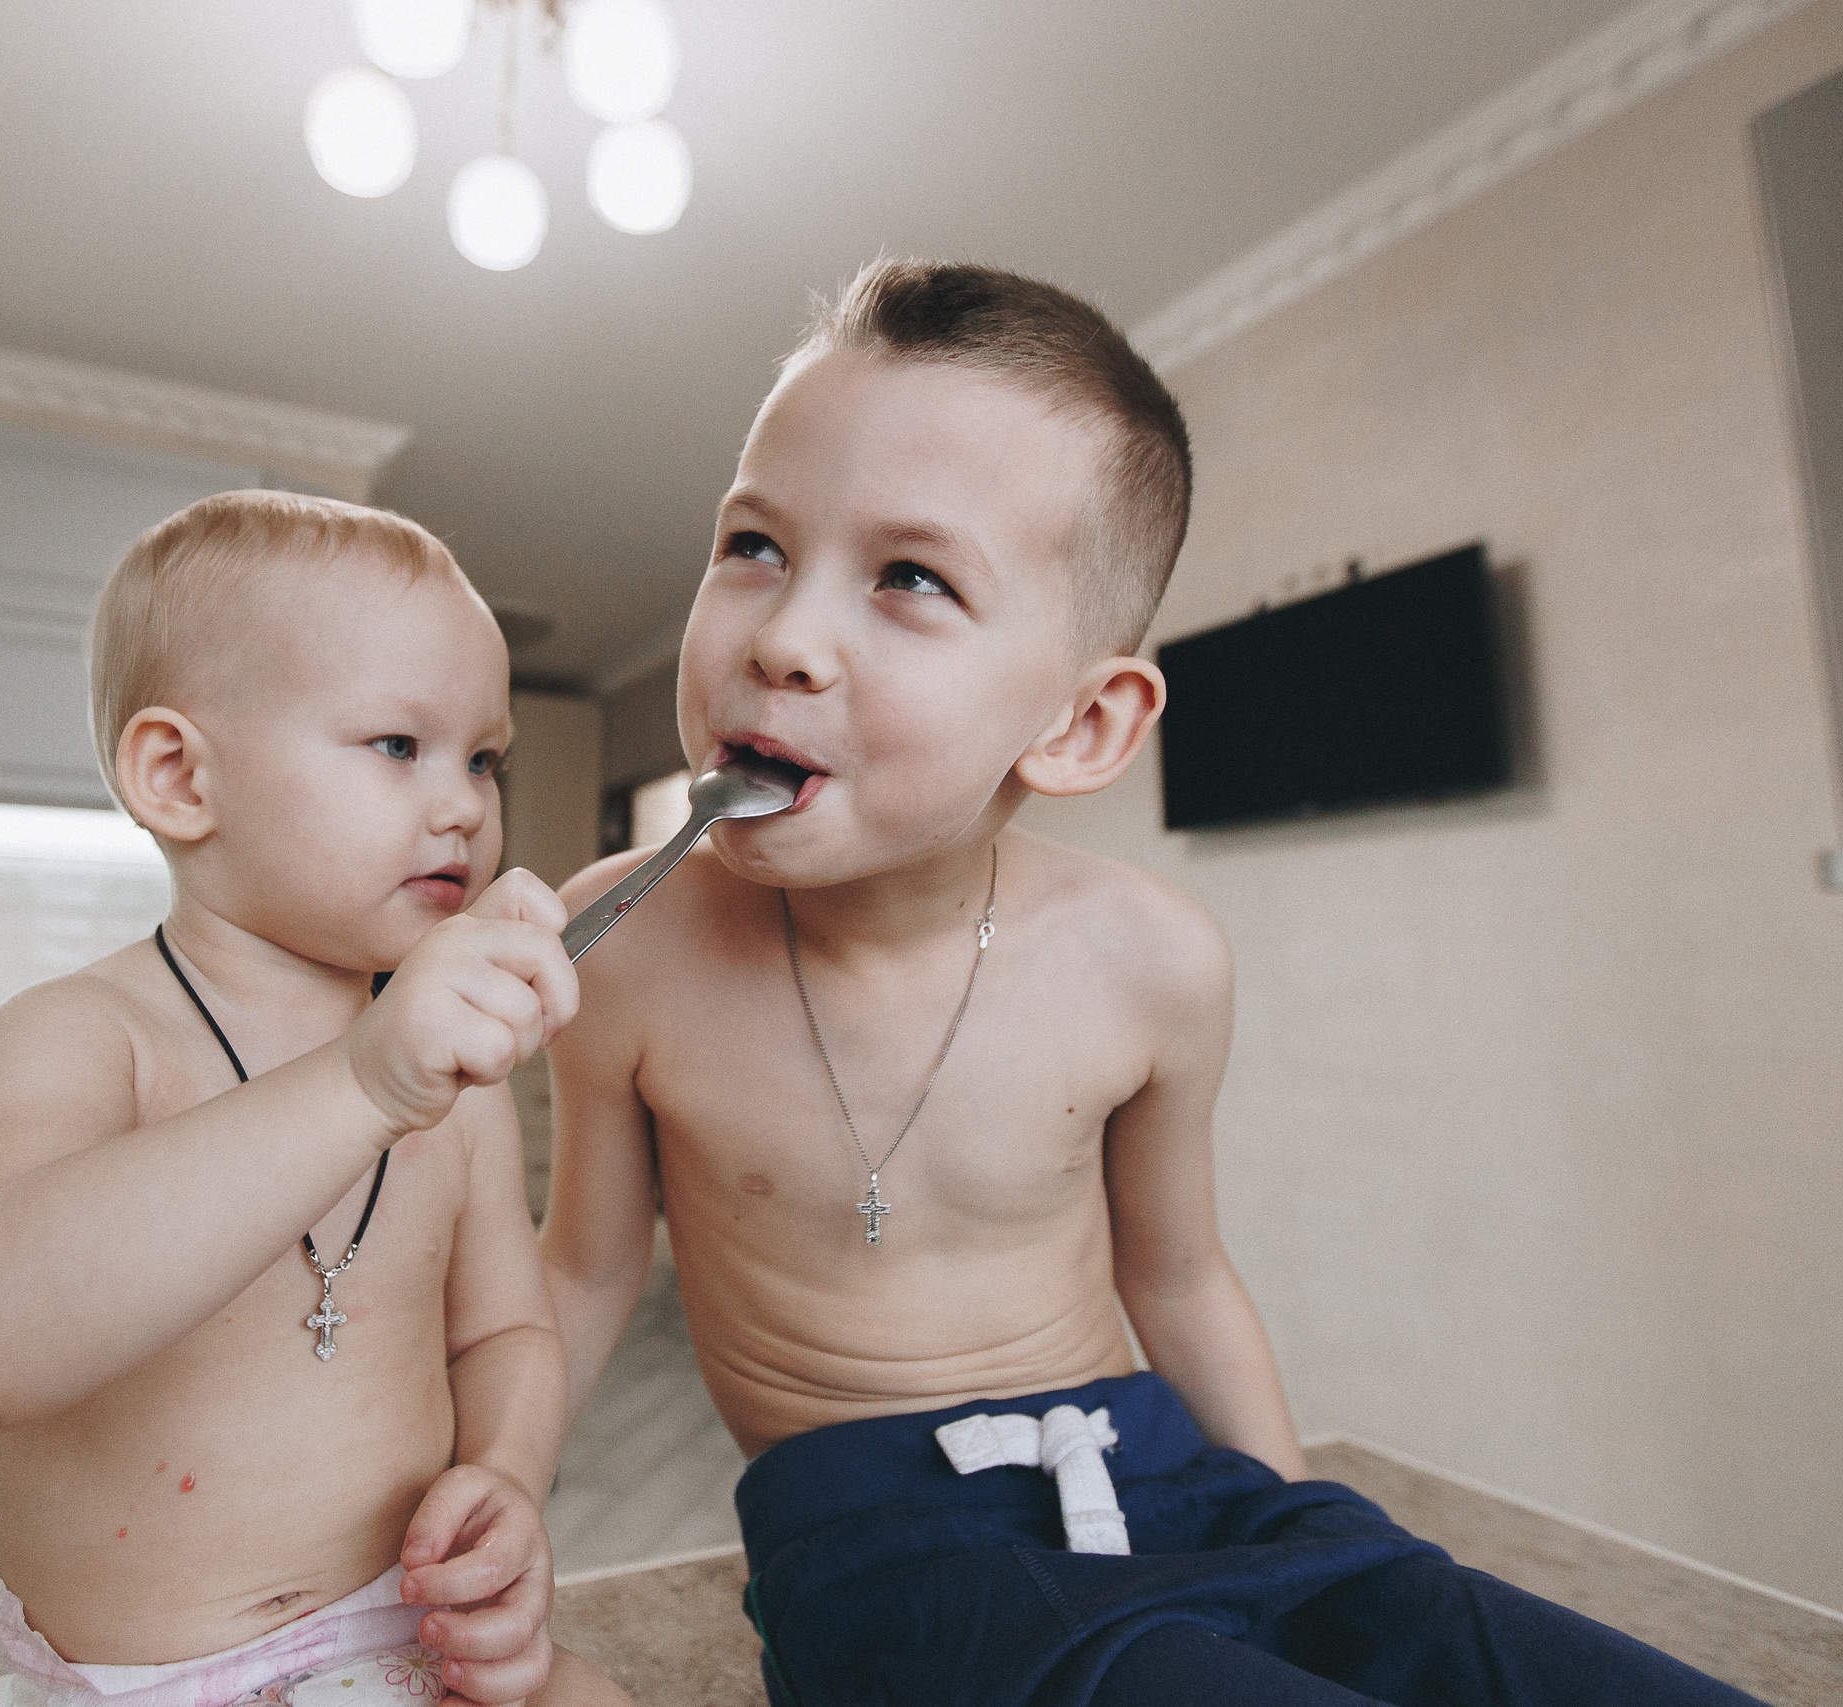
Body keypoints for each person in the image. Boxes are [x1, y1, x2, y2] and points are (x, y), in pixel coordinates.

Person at [537, 259, 1765, 1707]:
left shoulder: (1153, 960)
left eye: (910, 576)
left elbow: (1176, 1270)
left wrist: (1304, 1543)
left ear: (1079, 722)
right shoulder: (621, 937)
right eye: (753, 543)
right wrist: (494, 1481)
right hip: (884, 1544)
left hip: (1157, 1459)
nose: (782, 635)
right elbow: (587, 1262)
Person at [0, 491, 622, 1707]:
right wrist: (359, 1082)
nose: (465, 806)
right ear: (179, 775)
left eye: (484, 759)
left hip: (404, 1642)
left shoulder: (460, 1092)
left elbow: (503, 1332)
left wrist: (505, 1472)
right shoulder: (86, 1038)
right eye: (399, 746)